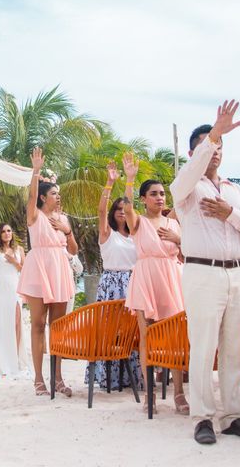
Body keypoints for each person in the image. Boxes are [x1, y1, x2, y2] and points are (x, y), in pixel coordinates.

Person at [170, 100, 240, 444]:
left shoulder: (235, 191)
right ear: (192, 151)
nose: (214, 152)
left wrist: (231, 214)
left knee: (234, 348)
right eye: (206, 147)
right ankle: (202, 418)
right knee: (202, 346)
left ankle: (233, 416)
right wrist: (214, 133)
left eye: (219, 147)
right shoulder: (185, 187)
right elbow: (184, 180)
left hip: (239, 272)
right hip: (202, 273)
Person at [122, 153, 188, 414]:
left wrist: (178, 238)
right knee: (147, 336)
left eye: (162, 193)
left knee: (176, 338)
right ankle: (149, 394)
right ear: (144, 199)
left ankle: (179, 394)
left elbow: (185, 253)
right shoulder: (138, 222)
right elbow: (126, 208)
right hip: (146, 276)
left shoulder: (174, 223)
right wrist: (129, 179)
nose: (160, 197)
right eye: (154, 193)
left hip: (172, 276)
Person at [17, 147, 78, 396]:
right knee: (38, 324)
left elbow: (73, 250)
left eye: (58, 193)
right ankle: (39, 379)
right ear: (43, 198)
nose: (58, 196)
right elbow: (31, 198)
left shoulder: (63, 219)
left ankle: (58, 378)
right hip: (39, 267)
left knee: (59, 326)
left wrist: (67, 230)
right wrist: (36, 172)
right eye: (54, 193)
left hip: (60, 268)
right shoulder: (35, 216)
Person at [84, 161, 142, 391]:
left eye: (123, 208)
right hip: (111, 283)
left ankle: (132, 377)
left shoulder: (135, 235)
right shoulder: (107, 233)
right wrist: (109, 183)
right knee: (110, 331)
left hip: (133, 281)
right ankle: (109, 378)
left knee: (133, 333)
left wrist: (130, 179)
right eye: (117, 209)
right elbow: (100, 210)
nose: (121, 211)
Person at [0, 198, 30, 378]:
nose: (7, 233)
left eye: (9, 230)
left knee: (16, 323)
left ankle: (16, 359)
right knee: (2, 324)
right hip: (0, 288)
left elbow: (25, 271)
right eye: (3, 231)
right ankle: (5, 362)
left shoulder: (19, 250)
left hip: (15, 288)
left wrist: (14, 261)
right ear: (0, 235)